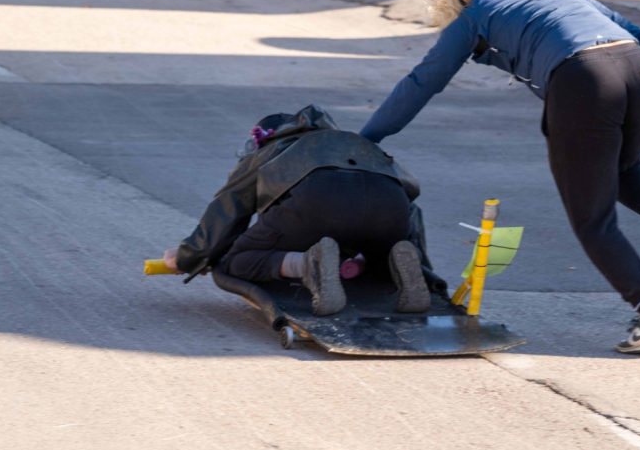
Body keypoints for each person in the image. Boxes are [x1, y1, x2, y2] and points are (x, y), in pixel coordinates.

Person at [359, 0, 640, 354]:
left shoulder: (478, 13)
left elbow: (421, 83)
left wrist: (366, 140)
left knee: (593, 221)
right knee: (622, 167)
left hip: (584, 81)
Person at [163, 105, 444, 316]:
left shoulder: (272, 150)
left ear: (264, 138)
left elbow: (227, 209)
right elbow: (411, 204)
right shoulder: (353, 145)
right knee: (384, 247)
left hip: (318, 202)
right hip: (389, 205)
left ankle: (308, 265)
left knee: (236, 260)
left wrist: (190, 257)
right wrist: (423, 267)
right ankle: (398, 262)